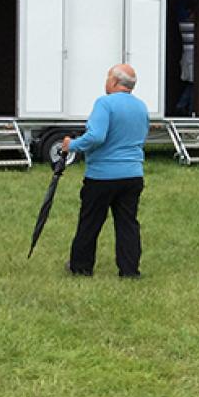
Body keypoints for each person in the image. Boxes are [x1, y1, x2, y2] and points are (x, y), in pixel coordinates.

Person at [62, 64, 151, 278]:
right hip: (132, 174)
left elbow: (96, 136)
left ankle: (81, 267)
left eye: (107, 77)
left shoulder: (104, 104)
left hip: (102, 175)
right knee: (127, 223)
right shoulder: (141, 107)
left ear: (113, 81)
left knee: (90, 221)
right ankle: (129, 270)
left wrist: (71, 145)